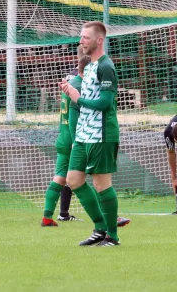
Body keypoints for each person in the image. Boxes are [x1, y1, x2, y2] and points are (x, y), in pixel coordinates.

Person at [60, 21, 121, 246]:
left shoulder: (106, 66)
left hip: (102, 134)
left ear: (99, 40)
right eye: (81, 37)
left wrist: (77, 98)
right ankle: (99, 228)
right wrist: (73, 92)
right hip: (84, 134)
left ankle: (112, 236)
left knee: (101, 184)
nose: (81, 41)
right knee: (73, 180)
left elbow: (105, 103)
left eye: (85, 37)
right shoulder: (91, 66)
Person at [42, 53, 91, 226]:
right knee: (90, 177)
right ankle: (107, 216)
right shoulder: (80, 86)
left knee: (60, 177)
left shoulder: (70, 85)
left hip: (63, 137)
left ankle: (48, 217)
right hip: (74, 139)